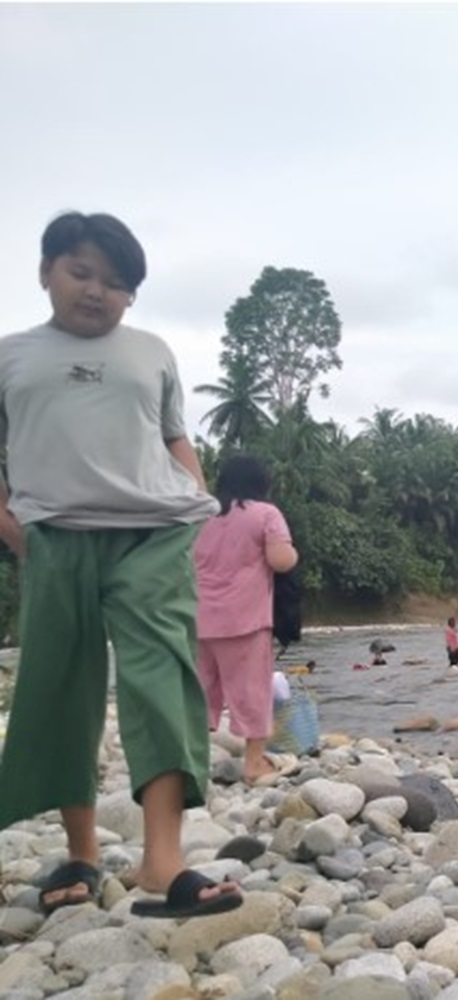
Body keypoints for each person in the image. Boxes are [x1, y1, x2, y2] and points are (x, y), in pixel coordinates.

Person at [0, 211, 241, 919]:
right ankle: (81, 850)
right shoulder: (10, 356)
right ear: (46, 271)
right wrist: (16, 534)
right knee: (59, 682)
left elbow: (174, 436)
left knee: (160, 673)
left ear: (132, 294)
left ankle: (162, 863)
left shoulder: (152, 351)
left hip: (153, 533)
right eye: (81, 272)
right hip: (55, 538)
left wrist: (192, 494)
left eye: (117, 283)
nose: (98, 292)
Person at [193, 454, 300, 787]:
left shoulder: (200, 515)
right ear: (261, 483)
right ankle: (254, 763)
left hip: (198, 618)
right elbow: (281, 561)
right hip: (244, 620)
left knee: (199, 691)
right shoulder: (266, 514)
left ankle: (190, 762)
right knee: (251, 692)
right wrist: (294, 553)